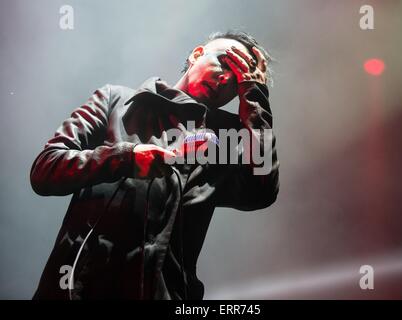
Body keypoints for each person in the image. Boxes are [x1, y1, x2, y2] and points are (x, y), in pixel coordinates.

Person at [30, 31, 280, 300]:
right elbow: (46, 168)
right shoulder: (116, 100)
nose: (226, 79)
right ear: (197, 54)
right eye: (225, 62)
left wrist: (255, 98)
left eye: (239, 80)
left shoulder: (224, 139)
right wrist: (129, 158)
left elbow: (261, 189)